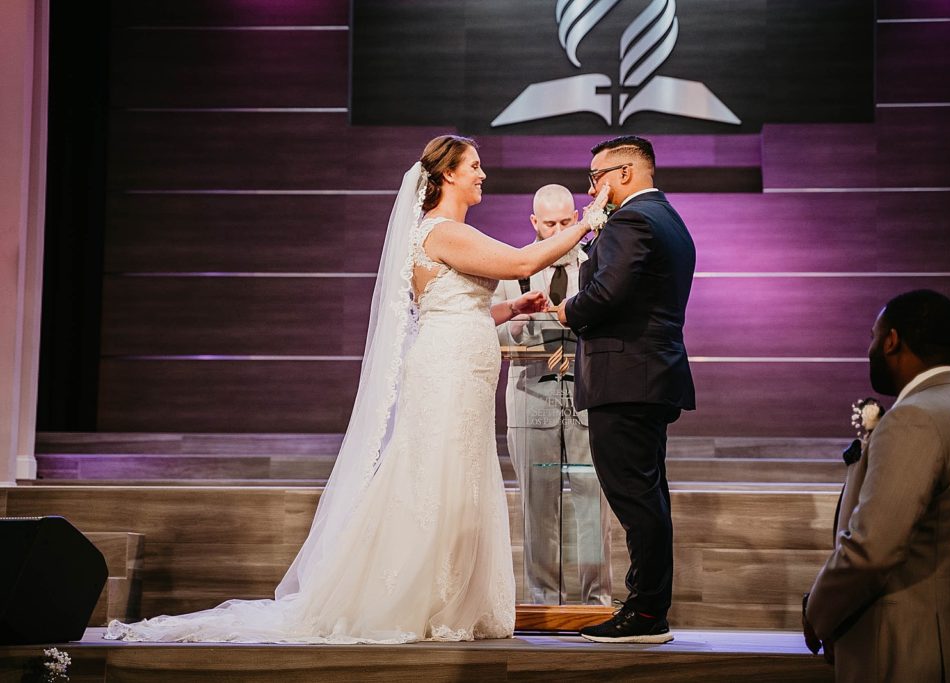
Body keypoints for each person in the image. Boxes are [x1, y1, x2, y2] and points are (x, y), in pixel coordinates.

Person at [105, 135, 607, 644]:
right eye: (475, 166)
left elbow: (454, 306)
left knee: (458, 483)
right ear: (449, 174)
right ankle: (415, 598)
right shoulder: (443, 232)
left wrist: (508, 310)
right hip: (448, 372)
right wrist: (589, 220)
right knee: (438, 482)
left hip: (463, 369)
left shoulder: (444, 234)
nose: (483, 174)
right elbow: (524, 263)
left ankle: (449, 597)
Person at [803, 289, 950, 682]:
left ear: (892, 340)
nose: (870, 348)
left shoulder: (914, 419)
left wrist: (817, 614)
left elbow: (872, 550)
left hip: (910, 652)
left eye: (873, 337)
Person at [553, 136, 696, 643]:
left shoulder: (633, 220)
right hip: (650, 374)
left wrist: (567, 311)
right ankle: (647, 605)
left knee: (635, 497)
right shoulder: (669, 219)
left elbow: (608, 292)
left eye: (596, 178)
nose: (592, 189)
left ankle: (645, 613)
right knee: (647, 495)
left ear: (625, 173)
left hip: (627, 376)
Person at [493, 184, 612, 606]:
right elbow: (493, 327)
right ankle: (545, 602)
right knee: (537, 508)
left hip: (584, 397)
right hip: (530, 397)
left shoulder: (597, 263)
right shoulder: (515, 266)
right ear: (534, 223)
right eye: (550, 224)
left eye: (566, 222)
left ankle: (597, 601)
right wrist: (521, 320)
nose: (559, 230)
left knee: (592, 506)